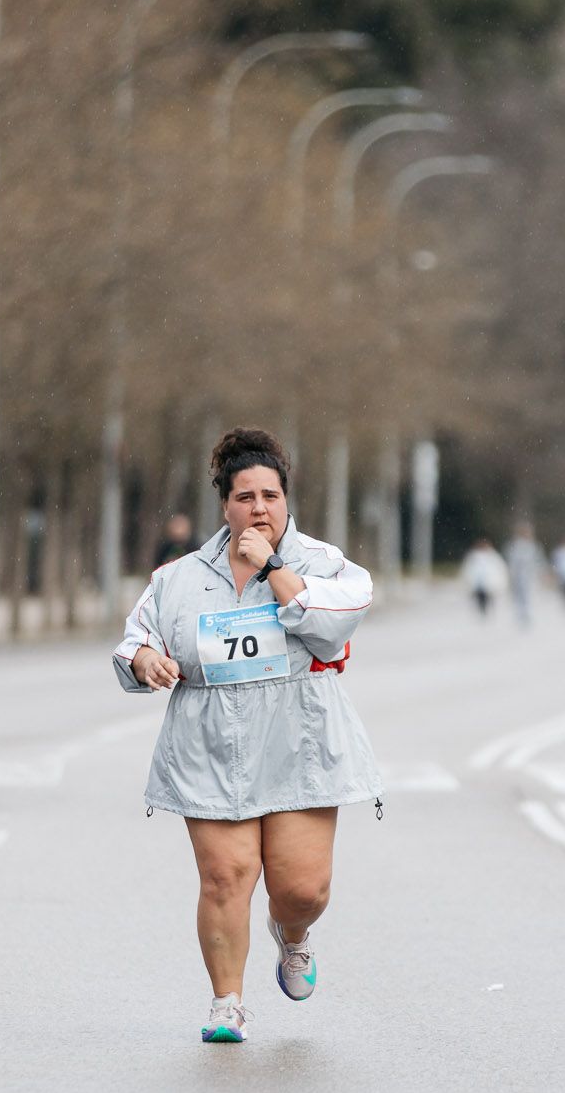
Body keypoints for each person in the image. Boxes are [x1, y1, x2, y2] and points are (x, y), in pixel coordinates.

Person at [113, 428, 381, 1042]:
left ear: (286, 500)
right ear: (225, 504)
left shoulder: (324, 564)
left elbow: (330, 627)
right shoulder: (178, 577)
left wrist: (274, 566)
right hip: (210, 743)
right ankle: (226, 1003)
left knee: (302, 887)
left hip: (300, 741)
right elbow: (134, 637)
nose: (259, 508)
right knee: (226, 876)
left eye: (270, 495)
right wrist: (145, 659)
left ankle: (293, 934)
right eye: (245, 497)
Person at [504, 522, 543, 629]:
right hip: (518, 575)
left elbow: (538, 561)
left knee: (528, 596)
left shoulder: (532, 546)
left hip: (529, 576)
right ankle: (520, 615)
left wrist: (540, 573)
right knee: (518, 596)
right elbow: (511, 562)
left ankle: (527, 615)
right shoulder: (515, 546)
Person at [460, 538, 507, 620]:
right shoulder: (474, 556)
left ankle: (488, 613)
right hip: (478, 583)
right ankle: (481, 612)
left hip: (489, 583)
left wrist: (500, 581)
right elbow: (469, 569)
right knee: (480, 598)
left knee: (489, 598)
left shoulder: (493, 556)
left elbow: (500, 569)